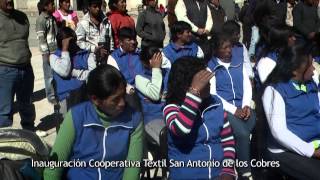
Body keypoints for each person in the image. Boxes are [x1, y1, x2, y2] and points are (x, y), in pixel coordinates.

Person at [43, 64, 143, 180]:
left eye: (123, 96)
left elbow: (132, 169)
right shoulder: (77, 116)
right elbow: (54, 167)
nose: (122, 103)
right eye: (115, 99)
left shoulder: (134, 119)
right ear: (96, 100)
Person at [163, 57, 236, 179]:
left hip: (218, 174)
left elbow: (227, 140)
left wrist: (227, 171)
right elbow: (181, 129)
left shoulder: (216, 103)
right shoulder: (171, 108)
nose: (209, 83)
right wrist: (194, 93)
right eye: (203, 81)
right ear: (187, 86)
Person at [261, 43, 320, 179]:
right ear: (294, 70)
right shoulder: (274, 90)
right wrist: (312, 152)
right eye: (310, 65)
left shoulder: (311, 83)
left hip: (314, 142)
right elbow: (279, 133)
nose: (313, 70)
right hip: (286, 150)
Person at [207, 33, 255, 180]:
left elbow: (247, 85)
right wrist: (235, 110)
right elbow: (214, 94)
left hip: (243, 105)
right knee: (243, 134)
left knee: (256, 125)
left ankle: (241, 159)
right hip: (225, 109)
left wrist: (246, 105)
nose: (229, 50)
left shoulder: (237, 62)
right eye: (225, 47)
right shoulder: (211, 68)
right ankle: (245, 171)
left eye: (230, 47)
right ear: (216, 50)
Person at [0, 0, 36, 130]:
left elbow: (24, 40)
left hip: (26, 69)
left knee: (27, 105)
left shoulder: (22, 17)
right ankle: (4, 142)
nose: (9, 0)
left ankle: (29, 133)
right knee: (4, 110)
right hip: (5, 71)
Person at [50, 27, 96, 115]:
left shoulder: (86, 55)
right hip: (65, 97)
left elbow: (93, 75)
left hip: (84, 95)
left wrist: (74, 72)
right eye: (66, 43)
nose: (70, 45)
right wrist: (65, 50)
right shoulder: (54, 57)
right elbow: (65, 71)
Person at [135, 46, 165, 144]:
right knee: (165, 139)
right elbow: (155, 94)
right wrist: (156, 69)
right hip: (153, 118)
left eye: (160, 57)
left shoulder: (167, 72)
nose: (159, 61)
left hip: (169, 114)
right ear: (146, 62)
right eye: (156, 58)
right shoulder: (139, 78)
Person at [107, 27, 141, 94]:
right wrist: (129, 89)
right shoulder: (113, 58)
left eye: (134, 39)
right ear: (121, 42)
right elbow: (116, 80)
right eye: (129, 40)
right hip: (128, 92)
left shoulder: (141, 53)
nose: (133, 42)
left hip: (145, 89)